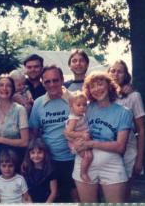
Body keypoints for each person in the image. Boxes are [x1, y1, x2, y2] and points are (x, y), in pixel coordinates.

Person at [72, 71, 133, 203]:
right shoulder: (85, 109)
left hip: (111, 165)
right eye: (92, 86)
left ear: (109, 86)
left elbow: (120, 147)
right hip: (84, 164)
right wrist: (75, 143)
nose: (96, 89)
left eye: (100, 84)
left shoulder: (123, 112)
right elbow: (72, 128)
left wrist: (91, 144)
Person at [29, 65, 78, 202]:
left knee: (75, 198)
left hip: (75, 159)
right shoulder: (38, 103)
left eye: (55, 80)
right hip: (49, 162)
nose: (52, 84)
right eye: (47, 81)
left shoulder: (75, 100)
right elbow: (34, 132)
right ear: (42, 83)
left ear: (62, 80)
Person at [108, 60, 145, 201]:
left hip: (127, 152)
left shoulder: (133, 96)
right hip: (106, 152)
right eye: (113, 70)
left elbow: (141, 130)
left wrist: (139, 160)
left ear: (126, 75)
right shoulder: (103, 95)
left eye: (120, 71)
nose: (115, 74)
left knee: (123, 196)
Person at [65, 91, 93, 183]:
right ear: (71, 107)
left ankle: (85, 172)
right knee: (87, 156)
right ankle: (83, 173)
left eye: (84, 105)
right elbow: (68, 132)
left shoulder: (81, 116)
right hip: (75, 143)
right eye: (79, 105)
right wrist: (81, 134)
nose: (82, 107)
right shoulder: (73, 119)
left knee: (89, 155)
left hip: (82, 140)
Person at [21, 138, 57, 202]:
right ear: (29, 154)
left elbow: (53, 192)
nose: (36, 155)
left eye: (39, 152)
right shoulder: (26, 168)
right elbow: (24, 191)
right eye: (33, 153)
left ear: (45, 153)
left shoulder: (50, 169)